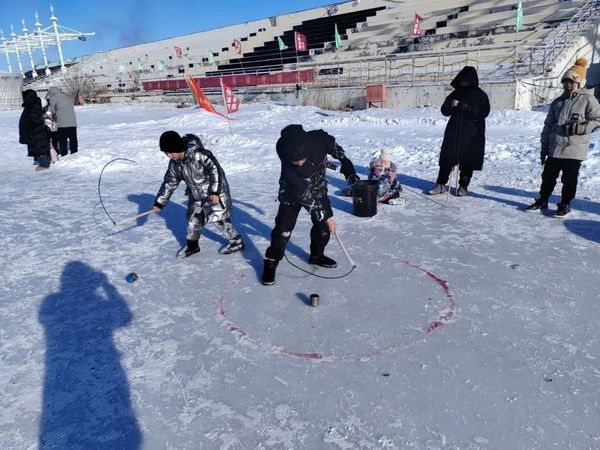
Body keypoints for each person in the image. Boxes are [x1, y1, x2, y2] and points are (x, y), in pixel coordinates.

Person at [262, 124, 359, 285]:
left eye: (301, 159)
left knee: (323, 229)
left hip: (318, 186)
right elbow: (304, 194)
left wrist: (348, 168)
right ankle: (271, 260)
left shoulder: (319, 139)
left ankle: (316, 255)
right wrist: (327, 217)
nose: (299, 163)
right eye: (295, 162)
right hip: (292, 191)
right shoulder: (288, 165)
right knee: (283, 229)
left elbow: (337, 151)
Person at [526, 58, 600, 216]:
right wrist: (544, 146)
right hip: (555, 148)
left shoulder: (588, 100)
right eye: (565, 82)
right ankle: (543, 199)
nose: (567, 85)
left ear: (579, 83)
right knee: (547, 177)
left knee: (569, 179)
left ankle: (565, 203)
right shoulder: (558, 102)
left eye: (571, 82)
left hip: (574, 149)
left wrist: (580, 127)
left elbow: (597, 119)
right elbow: (547, 126)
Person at [152, 131, 244, 256]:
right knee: (193, 220)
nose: (169, 155)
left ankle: (236, 241)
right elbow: (169, 183)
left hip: (214, 193)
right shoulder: (175, 164)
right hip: (196, 195)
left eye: (171, 152)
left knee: (219, 219)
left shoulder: (199, 155)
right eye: (166, 153)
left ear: (178, 147)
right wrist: (160, 202)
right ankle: (192, 246)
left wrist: (215, 191)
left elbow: (216, 171)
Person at [429, 66, 490, 197]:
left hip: (472, 133)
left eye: (465, 80)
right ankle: (440, 184)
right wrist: (451, 105)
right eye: (461, 80)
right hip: (454, 131)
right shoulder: (455, 94)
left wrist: (464, 106)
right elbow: (444, 111)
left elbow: (483, 112)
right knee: (447, 157)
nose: (463, 83)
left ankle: (463, 186)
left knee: (468, 160)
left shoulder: (481, 95)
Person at [18, 89, 51, 172]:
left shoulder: (33, 106)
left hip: (36, 131)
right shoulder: (31, 105)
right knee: (38, 147)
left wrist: (30, 126)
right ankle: (42, 162)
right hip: (34, 132)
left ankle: (44, 164)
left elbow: (35, 120)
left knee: (40, 147)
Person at [47, 86, 78, 156]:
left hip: (62, 123)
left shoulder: (54, 97)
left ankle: (64, 154)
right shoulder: (67, 96)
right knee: (73, 139)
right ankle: (75, 153)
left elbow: (52, 110)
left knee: (62, 140)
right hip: (73, 122)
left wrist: (56, 110)